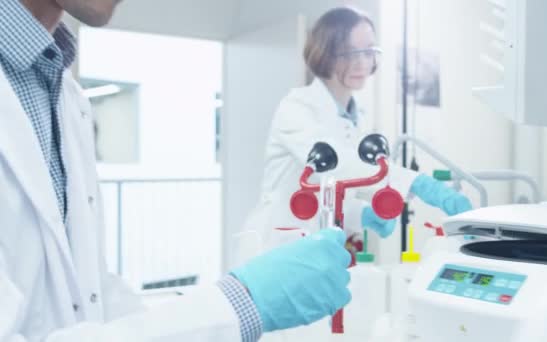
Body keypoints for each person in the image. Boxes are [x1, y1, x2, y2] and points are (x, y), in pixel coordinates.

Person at [0, 0, 351, 341]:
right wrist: (240, 306)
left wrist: (218, 311)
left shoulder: (65, 96)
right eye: (353, 52)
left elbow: (91, 298)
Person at [242, 7, 472, 250]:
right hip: (276, 242)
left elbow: (330, 192)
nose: (362, 62)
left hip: (316, 245)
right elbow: (336, 165)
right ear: (325, 53)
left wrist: (361, 214)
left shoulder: (357, 115)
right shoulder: (297, 107)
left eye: (369, 51)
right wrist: (415, 182)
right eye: (350, 53)